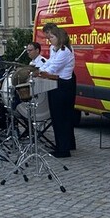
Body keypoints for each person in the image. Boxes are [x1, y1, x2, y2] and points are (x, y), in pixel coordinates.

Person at [38, 24, 76, 158]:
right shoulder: (56, 50)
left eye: (52, 37)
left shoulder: (65, 51)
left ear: (59, 38)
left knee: (61, 118)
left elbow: (53, 68)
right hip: (56, 84)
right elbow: (49, 63)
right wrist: (39, 68)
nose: (50, 39)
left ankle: (64, 149)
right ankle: (62, 145)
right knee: (57, 117)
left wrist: (40, 72)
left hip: (62, 85)